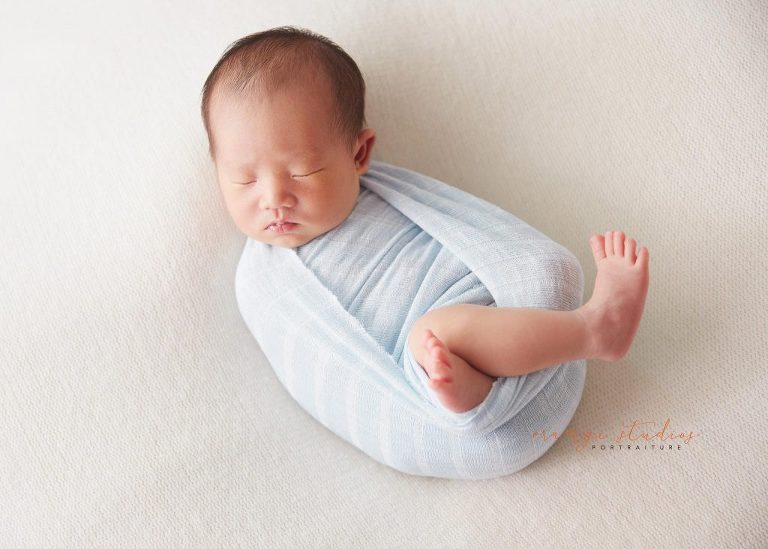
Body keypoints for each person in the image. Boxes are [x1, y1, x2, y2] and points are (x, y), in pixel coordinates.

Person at [200, 26, 649, 415]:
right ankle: (592, 332)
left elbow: (470, 239)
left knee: (518, 289)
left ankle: (522, 355)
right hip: (425, 383)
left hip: (498, 321)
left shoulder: (385, 194)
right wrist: (426, 384)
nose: (275, 197)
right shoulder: (267, 283)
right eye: (243, 180)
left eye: (302, 171)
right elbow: (321, 373)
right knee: (431, 338)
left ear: (358, 154)